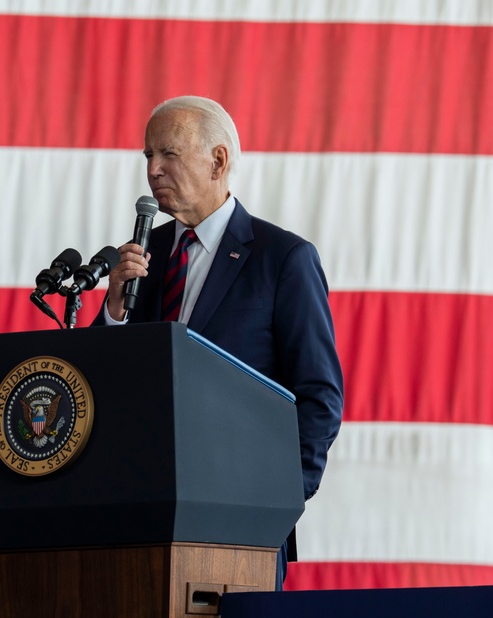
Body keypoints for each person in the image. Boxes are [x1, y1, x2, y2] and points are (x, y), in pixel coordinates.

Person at [94, 95, 344, 587]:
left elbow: (320, 397)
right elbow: (107, 380)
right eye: (148, 156)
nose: (153, 171)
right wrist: (115, 311)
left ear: (218, 160)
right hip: (142, 516)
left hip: (240, 524)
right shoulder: (146, 254)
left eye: (168, 153)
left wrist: (279, 499)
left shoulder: (283, 259)